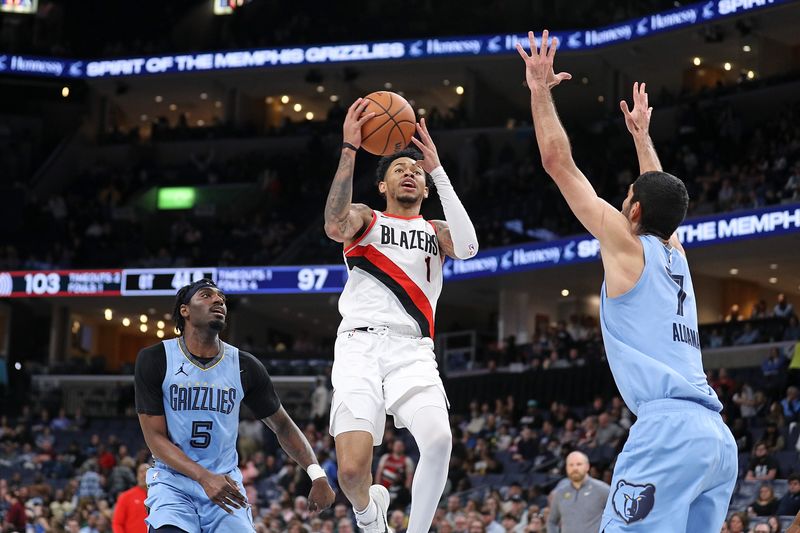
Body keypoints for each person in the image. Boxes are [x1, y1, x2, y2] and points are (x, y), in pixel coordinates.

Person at [516, 30, 737, 531]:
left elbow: (558, 164)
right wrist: (641, 139)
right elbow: (661, 199)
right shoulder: (675, 253)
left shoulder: (629, 246)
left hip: (668, 434)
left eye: (626, 199)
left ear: (632, 210)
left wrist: (539, 91)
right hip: (716, 440)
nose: (619, 205)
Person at [323, 99, 478, 533]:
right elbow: (334, 225)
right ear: (383, 185)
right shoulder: (365, 220)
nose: (410, 172)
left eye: (416, 170)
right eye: (399, 169)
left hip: (412, 349)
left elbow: (469, 248)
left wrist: (440, 172)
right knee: (352, 475)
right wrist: (350, 150)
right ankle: (371, 519)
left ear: (425, 187)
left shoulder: (437, 231)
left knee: (440, 440)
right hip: (359, 345)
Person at [135, 278, 335, 532]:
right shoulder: (156, 358)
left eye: (221, 298)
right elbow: (155, 439)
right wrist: (204, 478)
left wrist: (316, 474)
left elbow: (283, 425)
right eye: (206, 295)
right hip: (174, 484)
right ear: (184, 310)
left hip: (226, 485)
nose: (218, 300)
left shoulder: (245, 365)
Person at [547, 451, 609, 533]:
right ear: (566, 468)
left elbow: (617, 518)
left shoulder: (603, 489)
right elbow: (551, 521)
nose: (575, 468)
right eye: (571, 465)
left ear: (587, 466)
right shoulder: (560, 493)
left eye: (579, 464)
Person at [375, 439, 414, 508]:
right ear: (393, 447)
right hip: (384, 488)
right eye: (397, 445)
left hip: (398, 490)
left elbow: (409, 478)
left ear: (403, 447)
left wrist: (405, 492)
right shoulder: (386, 457)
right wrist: (378, 487)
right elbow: (379, 473)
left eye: (400, 446)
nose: (398, 447)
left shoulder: (407, 460)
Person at [112, 463, 149, 533]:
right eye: (141, 472)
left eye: (147, 471)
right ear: (137, 476)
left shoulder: (159, 497)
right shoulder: (126, 496)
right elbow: (117, 523)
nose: (144, 475)